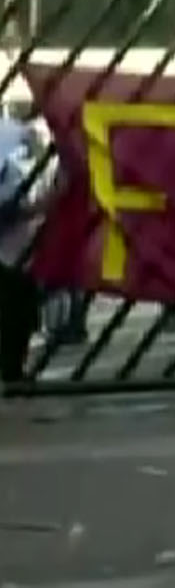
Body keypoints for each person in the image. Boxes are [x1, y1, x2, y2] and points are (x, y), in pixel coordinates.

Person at [0, 112, 46, 387]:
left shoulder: (14, 169)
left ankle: (14, 370)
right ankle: (11, 372)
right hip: (7, 255)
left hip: (23, 251)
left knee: (24, 314)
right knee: (12, 315)